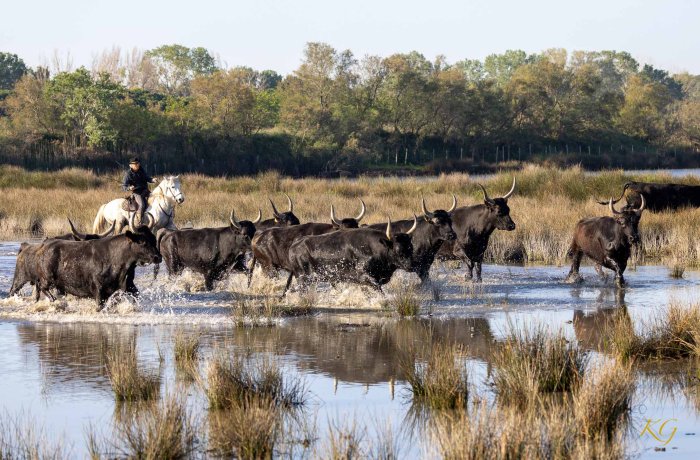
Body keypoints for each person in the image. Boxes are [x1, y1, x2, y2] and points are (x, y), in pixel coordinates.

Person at [122, 157, 156, 226]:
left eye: (138, 163)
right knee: (141, 205)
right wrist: (129, 188)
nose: (137, 165)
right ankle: (139, 222)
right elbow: (124, 186)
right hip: (137, 193)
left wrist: (152, 180)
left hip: (145, 191)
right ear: (130, 165)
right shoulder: (128, 174)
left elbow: (147, 178)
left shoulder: (142, 170)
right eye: (135, 164)